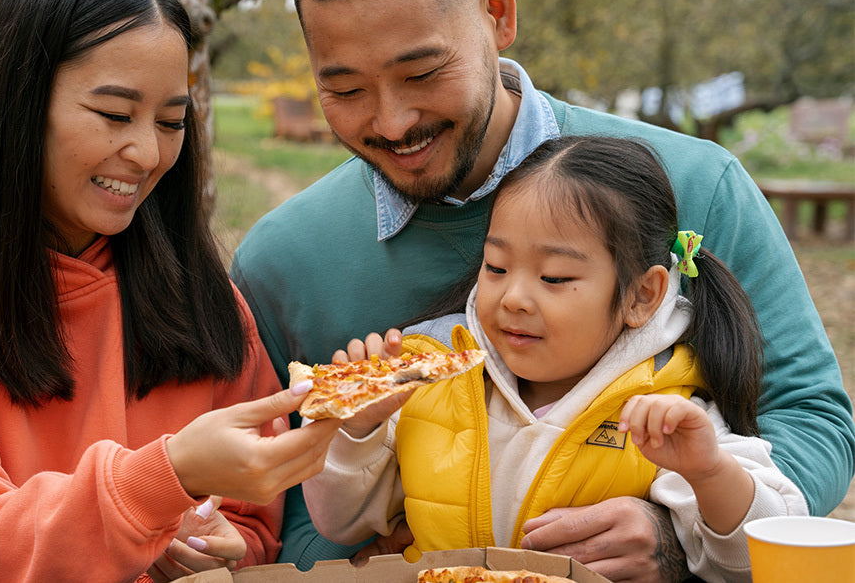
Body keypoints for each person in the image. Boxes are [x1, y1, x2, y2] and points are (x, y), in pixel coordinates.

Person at [228, 0, 855, 581]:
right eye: (344, 90)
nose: (391, 122)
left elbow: (811, 421)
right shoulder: (281, 263)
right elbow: (273, 512)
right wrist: (376, 560)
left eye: (421, 72)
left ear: (496, 14)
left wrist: (677, 537)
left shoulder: (698, 187)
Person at [0, 0, 341, 580]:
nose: (147, 154)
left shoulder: (198, 298)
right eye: (115, 115)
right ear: (17, 101)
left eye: (171, 122)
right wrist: (166, 479)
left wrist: (209, 546)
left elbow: (250, 524)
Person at [302, 135, 809, 583]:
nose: (514, 298)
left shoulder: (668, 410)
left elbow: (752, 557)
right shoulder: (426, 375)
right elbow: (339, 523)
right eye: (496, 266)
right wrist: (354, 430)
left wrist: (709, 472)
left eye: (555, 278)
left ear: (641, 296)